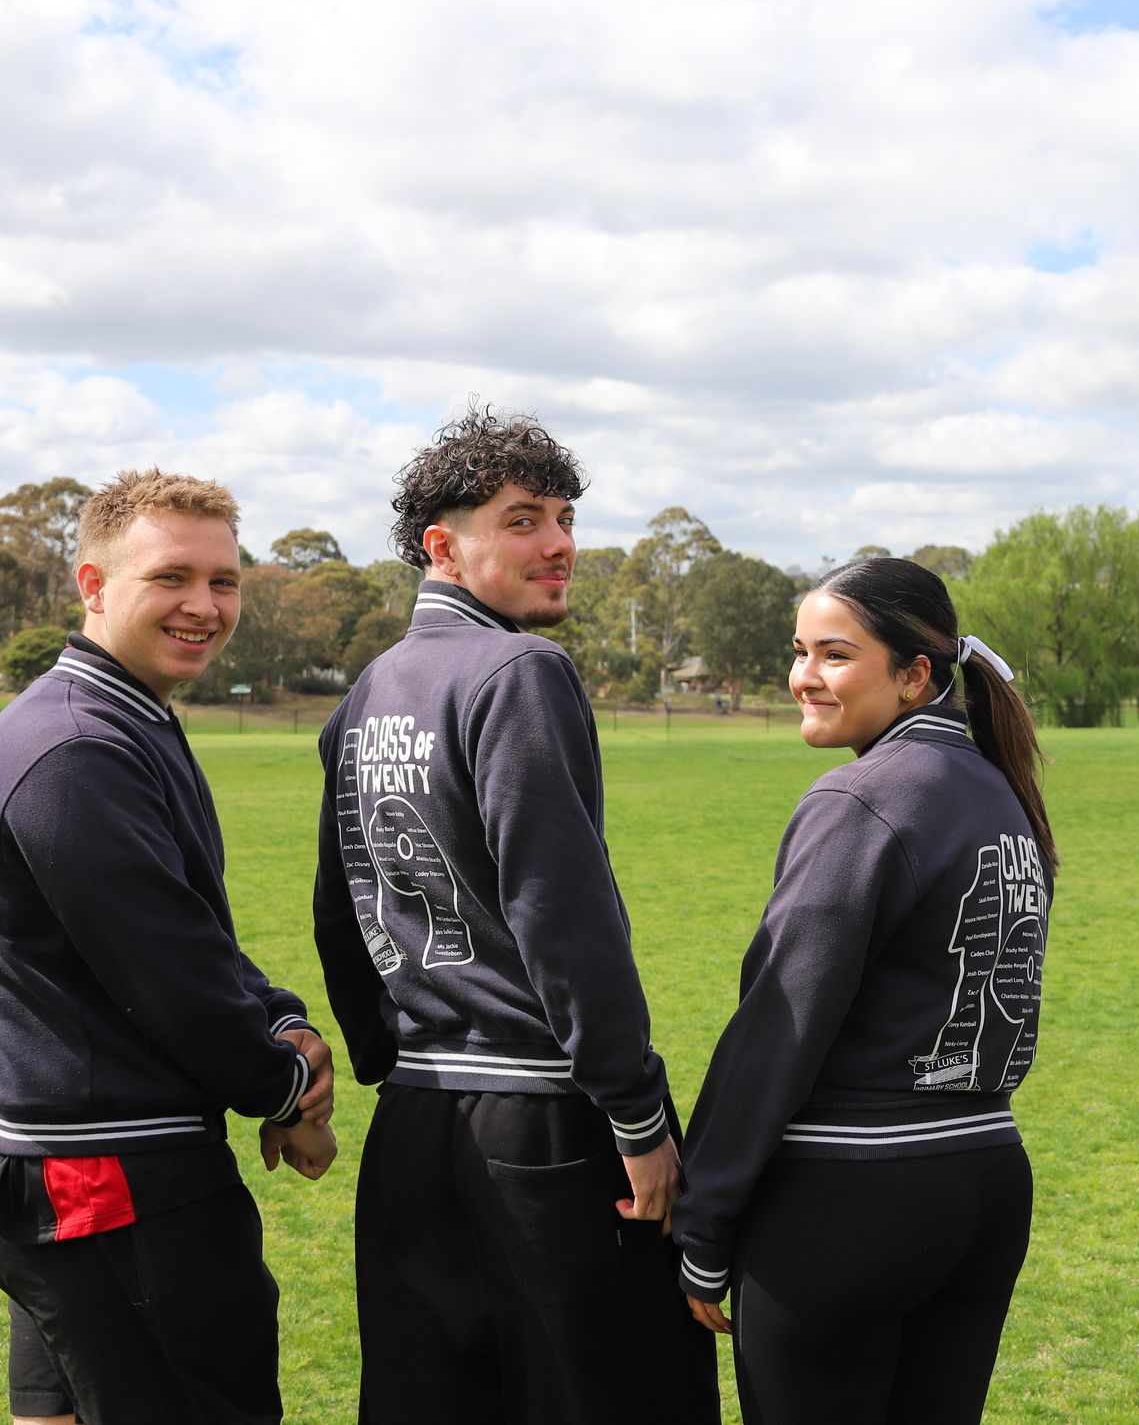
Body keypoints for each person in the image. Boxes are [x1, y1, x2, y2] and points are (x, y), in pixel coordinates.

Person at [313, 407, 717, 1425]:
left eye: (565, 518)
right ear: (442, 547)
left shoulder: (368, 689)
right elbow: (563, 914)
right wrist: (637, 1114)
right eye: (523, 520)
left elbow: (338, 910)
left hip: (415, 1125)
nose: (559, 544)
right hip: (542, 1123)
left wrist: (387, 1057)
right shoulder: (519, 671)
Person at [0, 469, 337, 1425]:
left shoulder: (125, 715)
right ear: (92, 583)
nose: (204, 605)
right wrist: (288, 1087)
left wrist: (281, 1019)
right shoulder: (77, 746)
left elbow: (191, 930)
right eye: (171, 577)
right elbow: (172, 981)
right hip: (105, 1178)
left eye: (223, 580)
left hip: (70, 1166)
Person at [672, 556, 1055, 1425]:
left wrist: (703, 1222)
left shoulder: (861, 797)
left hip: (853, 1194)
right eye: (799, 651)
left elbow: (779, 1027)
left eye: (835, 654)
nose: (805, 676)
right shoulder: (1002, 791)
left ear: (915, 674)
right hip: (985, 1180)